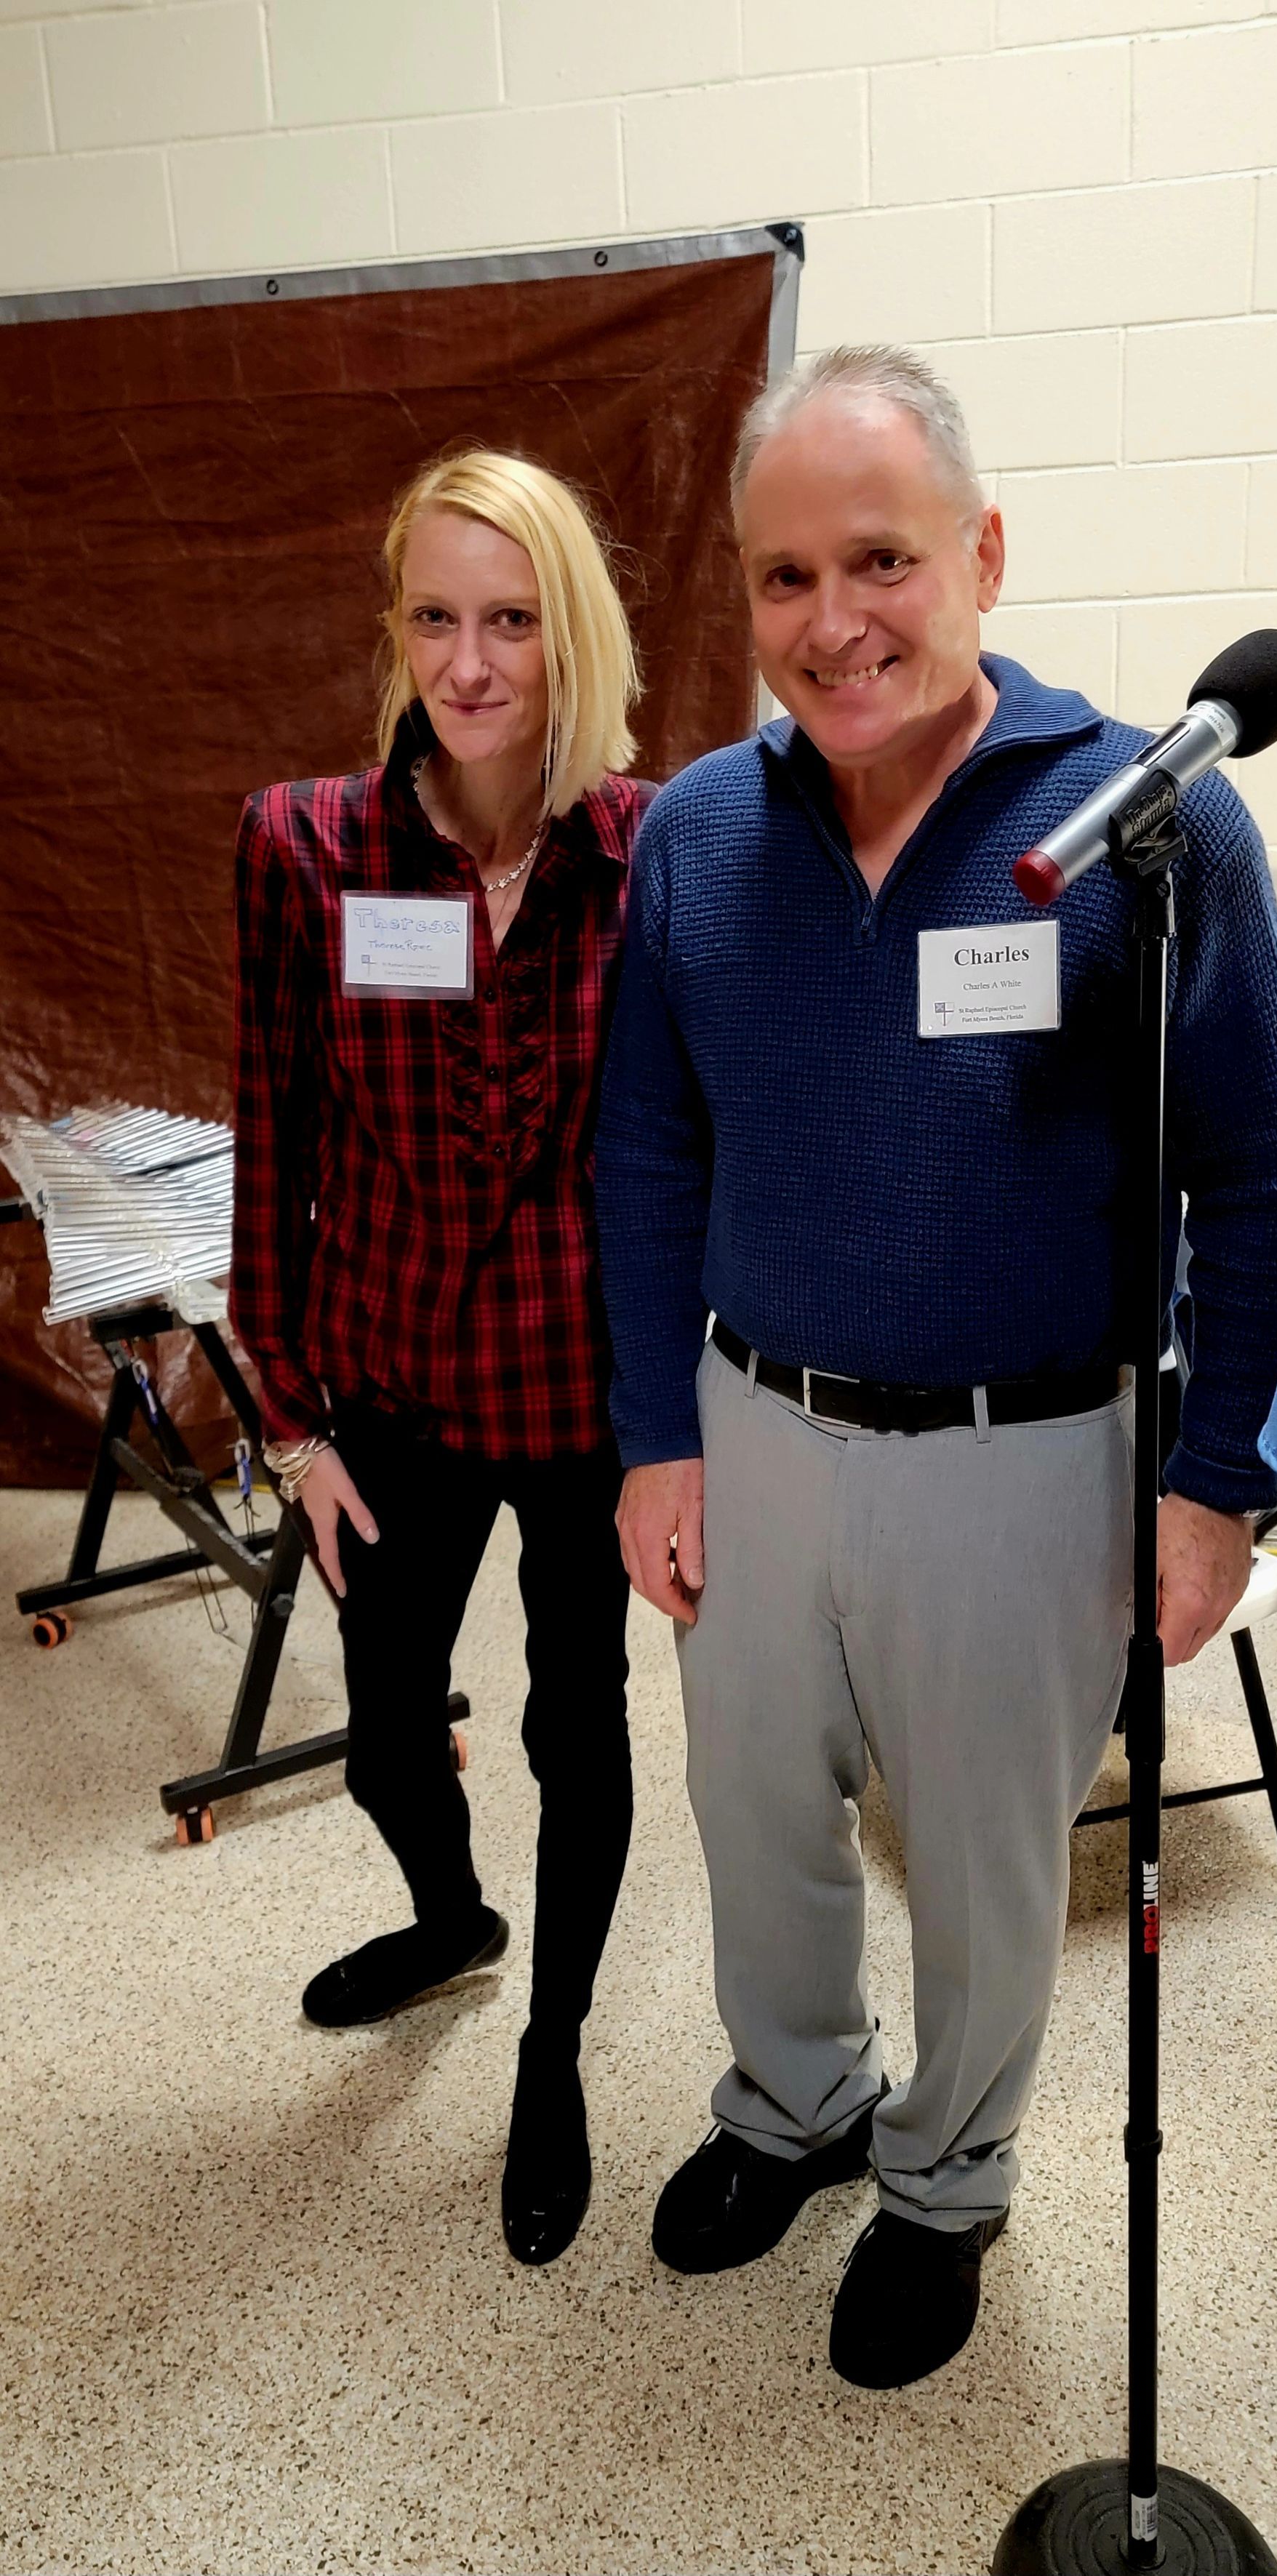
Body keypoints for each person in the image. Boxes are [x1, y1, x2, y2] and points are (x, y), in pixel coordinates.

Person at [594, 347, 1277, 2386]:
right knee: (756, 1824)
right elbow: (648, 1148)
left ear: (984, 554)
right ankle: (800, 2101)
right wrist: (658, 1435)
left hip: (1031, 1456)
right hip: (756, 1427)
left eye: (886, 560)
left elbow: (1267, 1183)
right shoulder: (697, 843)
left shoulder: (1148, 832)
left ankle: (947, 2180)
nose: (836, 624)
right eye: (784, 577)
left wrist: (1212, 1489)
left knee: (993, 1864)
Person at [231, 446, 651, 2266]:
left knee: (579, 1722)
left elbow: (692, 1141)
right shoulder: (304, 844)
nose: (471, 664)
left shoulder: (655, 849)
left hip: (583, 1395)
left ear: (572, 639)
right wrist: (287, 1416)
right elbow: (278, 1135)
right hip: (385, 1384)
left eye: (513, 620)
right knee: (392, 1731)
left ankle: (551, 2047)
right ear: (393, 627)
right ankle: (451, 1915)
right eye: (435, 617)